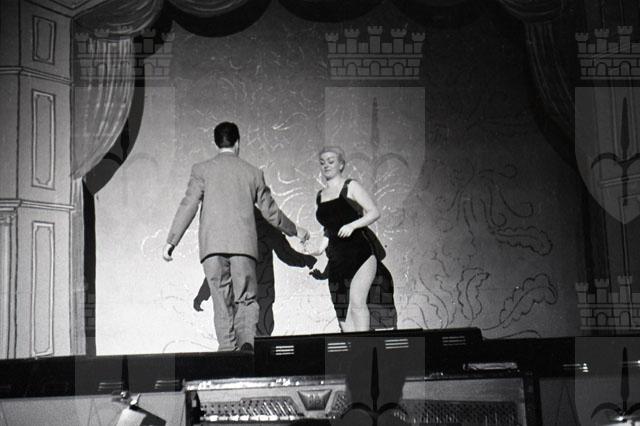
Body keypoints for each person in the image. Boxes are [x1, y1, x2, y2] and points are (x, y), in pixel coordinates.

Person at [162, 121, 308, 351]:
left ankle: (227, 353)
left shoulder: (201, 170)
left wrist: (171, 241)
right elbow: (271, 213)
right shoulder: (253, 173)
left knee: (221, 302)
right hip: (243, 248)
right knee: (247, 300)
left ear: (216, 143)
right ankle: (246, 347)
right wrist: (296, 230)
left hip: (212, 249)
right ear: (238, 142)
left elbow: (188, 205)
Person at [309, 146, 397, 332]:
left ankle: (363, 346)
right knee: (343, 314)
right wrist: (319, 249)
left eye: (331, 161)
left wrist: (352, 225)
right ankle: (354, 348)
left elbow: (374, 212)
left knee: (357, 302)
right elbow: (329, 228)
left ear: (341, 164)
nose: (326, 166)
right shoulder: (320, 196)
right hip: (336, 259)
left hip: (360, 253)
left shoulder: (351, 186)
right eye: (322, 162)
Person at [193, 207, 317, 336]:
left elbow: (218, 268)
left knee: (247, 335)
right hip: (258, 295)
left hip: (248, 295)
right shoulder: (263, 227)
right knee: (258, 335)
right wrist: (308, 261)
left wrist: (203, 294)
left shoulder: (235, 231)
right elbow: (287, 255)